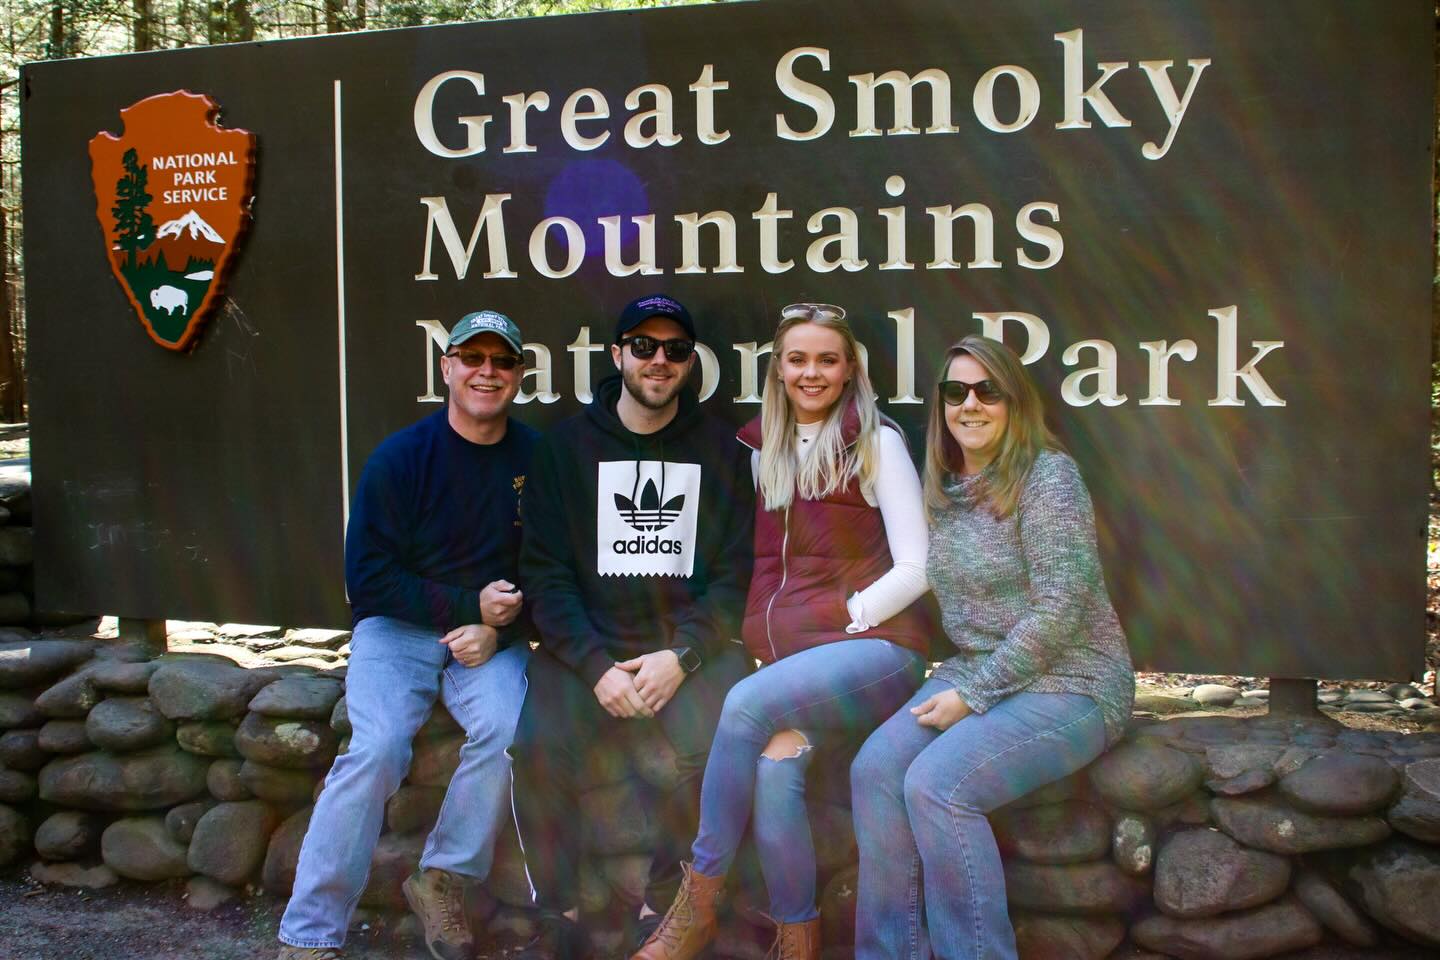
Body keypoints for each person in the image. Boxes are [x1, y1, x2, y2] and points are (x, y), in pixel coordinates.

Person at [634, 303, 935, 960]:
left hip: (877, 651)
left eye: (828, 358)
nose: (812, 372)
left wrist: (848, 617)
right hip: (798, 674)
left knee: (741, 706)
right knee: (776, 771)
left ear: (849, 366)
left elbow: (919, 565)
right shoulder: (759, 449)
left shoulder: (875, 442)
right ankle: (797, 940)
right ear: (778, 369)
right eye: (797, 359)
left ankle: (698, 904)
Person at [850, 334, 1135, 960]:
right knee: (874, 770)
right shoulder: (945, 489)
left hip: (1076, 681)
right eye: (956, 391)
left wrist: (974, 695)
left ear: (1014, 402)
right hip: (979, 670)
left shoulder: (1049, 478)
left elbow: (1062, 608)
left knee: (937, 785)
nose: (970, 404)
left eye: (988, 391)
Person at [276, 310, 537, 960]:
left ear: (519, 375)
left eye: (501, 362)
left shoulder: (537, 460)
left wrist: (501, 633)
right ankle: (309, 931)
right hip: (399, 629)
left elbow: (554, 572)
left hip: (488, 642)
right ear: (446, 367)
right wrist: (465, 607)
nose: (486, 371)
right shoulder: (401, 458)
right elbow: (366, 579)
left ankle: (442, 876)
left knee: (509, 733)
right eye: (471, 358)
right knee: (380, 747)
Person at [511, 294, 755, 960]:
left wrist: (683, 657)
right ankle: (557, 911)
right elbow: (547, 575)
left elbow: (733, 579)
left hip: (685, 647)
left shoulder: (724, 451)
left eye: (676, 349)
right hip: (585, 646)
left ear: (690, 362)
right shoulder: (564, 448)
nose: (659, 360)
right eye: (642, 346)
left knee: (716, 748)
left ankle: (665, 909)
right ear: (617, 355)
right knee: (535, 750)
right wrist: (593, 667)